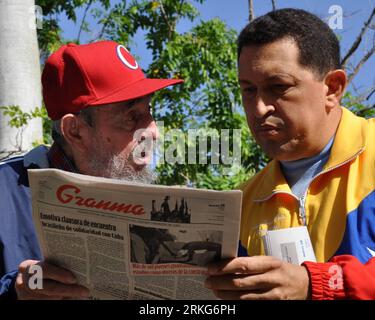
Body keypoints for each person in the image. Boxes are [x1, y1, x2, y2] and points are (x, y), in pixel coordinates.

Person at [205, 8, 375, 299]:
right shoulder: (240, 204)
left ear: (333, 88)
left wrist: (318, 284)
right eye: (248, 90)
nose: (259, 108)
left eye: (278, 87)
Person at [0, 40, 183, 299]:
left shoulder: (146, 196)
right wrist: (13, 292)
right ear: (75, 131)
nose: (153, 131)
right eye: (132, 116)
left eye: (149, 110)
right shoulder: (5, 193)